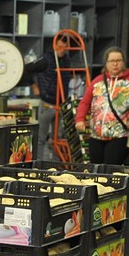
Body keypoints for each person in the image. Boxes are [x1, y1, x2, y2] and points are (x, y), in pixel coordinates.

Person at [75, 47, 129, 166]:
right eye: (112, 61)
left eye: (118, 60)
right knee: (96, 168)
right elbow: (85, 102)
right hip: (96, 135)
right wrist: (80, 119)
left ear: (123, 62)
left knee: (110, 168)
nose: (115, 64)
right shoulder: (97, 81)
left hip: (120, 135)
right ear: (106, 63)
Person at [31, 35, 75, 163]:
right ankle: (38, 163)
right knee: (41, 137)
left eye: (65, 47)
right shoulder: (45, 59)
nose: (62, 50)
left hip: (61, 103)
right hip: (47, 102)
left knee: (58, 138)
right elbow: (28, 69)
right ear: (54, 46)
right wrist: (34, 86)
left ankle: (55, 163)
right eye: (59, 47)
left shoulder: (66, 60)